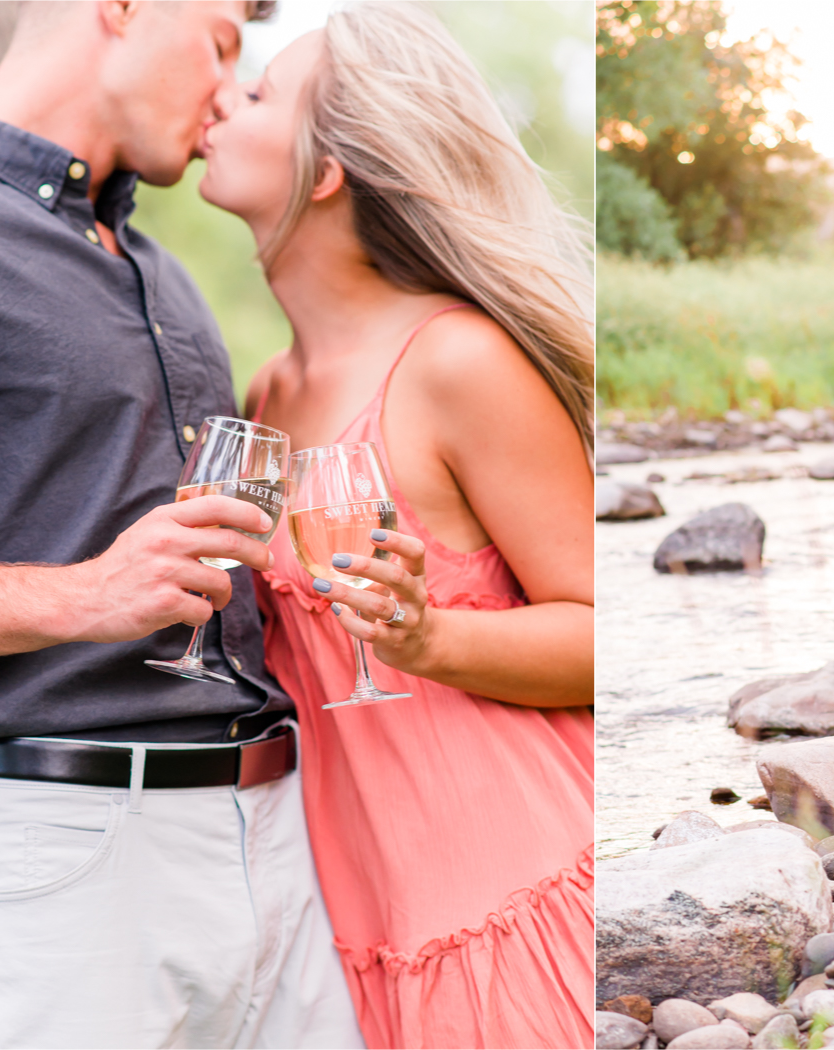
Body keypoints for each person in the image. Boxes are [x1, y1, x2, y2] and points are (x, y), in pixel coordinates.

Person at [0, 2, 363, 1046]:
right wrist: (87, 596)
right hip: (70, 868)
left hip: (282, 841)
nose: (229, 88)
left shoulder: (160, 272)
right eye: (221, 42)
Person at [197, 5, 594, 1048]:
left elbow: (604, 634)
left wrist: (431, 638)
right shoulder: (268, 394)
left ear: (326, 171)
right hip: (355, 927)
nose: (223, 100)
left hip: (516, 898)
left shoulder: (458, 363)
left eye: (259, 93)